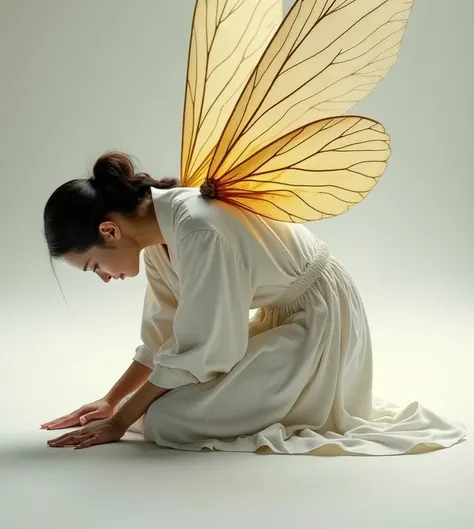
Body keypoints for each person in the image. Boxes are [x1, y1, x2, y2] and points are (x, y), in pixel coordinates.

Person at [41, 151, 466, 455]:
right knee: (148, 411)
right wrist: (112, 402)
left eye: (93, 265)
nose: (104, 277)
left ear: (110, 231)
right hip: (279, 318)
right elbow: (163, 337)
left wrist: (119, 420)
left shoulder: (199, 230)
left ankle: (307, 395)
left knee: (167, 421)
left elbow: (206, 349)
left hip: (316, 323)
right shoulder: (156, 239)